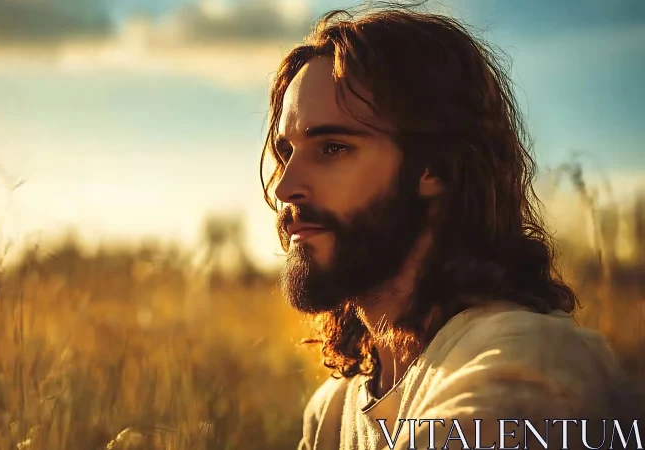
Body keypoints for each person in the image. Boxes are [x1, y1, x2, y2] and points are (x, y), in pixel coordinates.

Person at [259, 4, 639, 450]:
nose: (285, 187)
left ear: (434, 167)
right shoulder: (331, 411)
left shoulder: (529, 365)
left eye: (333, 148)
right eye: (286, 152)